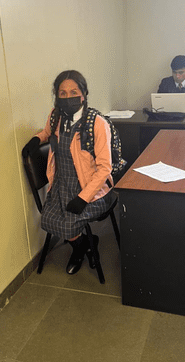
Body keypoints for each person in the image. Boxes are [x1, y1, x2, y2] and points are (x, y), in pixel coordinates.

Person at [22, 70, 115, 275]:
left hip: (91, 188)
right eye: (62, 93)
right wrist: (37, 139)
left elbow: (105, 168)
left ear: (84, 94)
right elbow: (47, 132)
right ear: (56, 96)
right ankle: (83, 245)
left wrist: (83, 198)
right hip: (62, 182)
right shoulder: (55, 116)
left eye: (73, 91)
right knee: (48, 219)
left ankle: (82, 246)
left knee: (70, 220)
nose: (68, 97)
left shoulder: (96, 124)